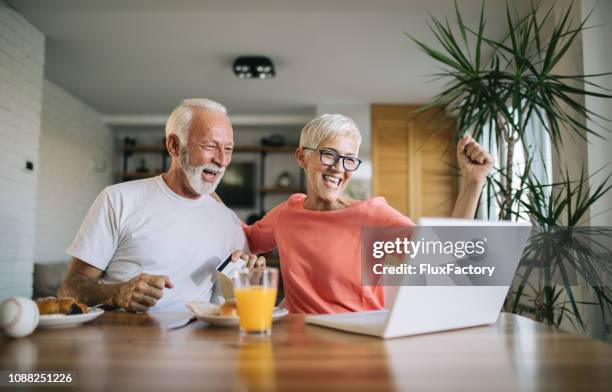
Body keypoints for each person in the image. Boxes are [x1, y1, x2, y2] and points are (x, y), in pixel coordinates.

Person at [242, 114, 493, 314]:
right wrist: (205, 190)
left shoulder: (372, 215)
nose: (339, 168)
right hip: (300, 344)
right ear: (302, 157)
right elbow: (248, 238)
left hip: (359, 343)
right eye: (329, 154)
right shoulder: (287, 213)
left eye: (349, 159)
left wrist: (472, 183)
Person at [59, 98, 262, 313]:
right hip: (123, 342)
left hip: (197, 342)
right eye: (210, 146)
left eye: (228, 149)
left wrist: (249, 278)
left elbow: (230, 299)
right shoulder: (118, 199)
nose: (222, 160)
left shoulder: (228, 221)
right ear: (174, 145)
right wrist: (117, 293)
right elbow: (69, 289)